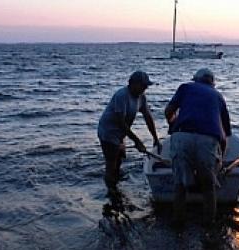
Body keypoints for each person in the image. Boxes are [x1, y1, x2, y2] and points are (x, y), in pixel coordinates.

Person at [164, 68, 232, 227]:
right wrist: (220, 157)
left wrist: (173, 124)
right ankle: (209, 226)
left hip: (182, 136)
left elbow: (168, 111)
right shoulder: (218, 97)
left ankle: (178, 224)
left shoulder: (185, 88)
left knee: (179, 185)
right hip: (208, 140)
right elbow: (225, 135)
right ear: (212, 83)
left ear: (196, 80)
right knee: (209, 188)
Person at [98, 71, 161, 194]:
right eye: (143, 85)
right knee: (111, 162)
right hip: (108, 131)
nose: (145, 88)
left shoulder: (141, 97)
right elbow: (120, 123)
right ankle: (111, 192)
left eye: (146, 86)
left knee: (120, 158)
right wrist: (137, 142)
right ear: (133, 83)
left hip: (121, 133)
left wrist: (155, 138)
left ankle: (116, 183)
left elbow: (148, 117)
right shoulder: (122, 96)